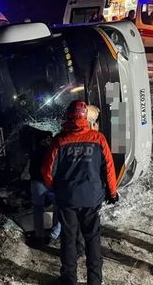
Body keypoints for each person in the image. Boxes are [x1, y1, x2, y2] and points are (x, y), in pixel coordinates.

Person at [42, 100, 119, 285]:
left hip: (68, 199)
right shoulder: (98, 139)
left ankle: (69, 279)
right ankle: (95, 280)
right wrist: (112, 192)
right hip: (92, 198)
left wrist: (56, 189)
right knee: (92, 238)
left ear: (69, 115)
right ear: (86, 116)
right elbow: (109, 168)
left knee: (68, 238)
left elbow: (47, 171)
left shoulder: (59, 141)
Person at [19, 125, 60, 246]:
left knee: (38, 209)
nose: (49, 141)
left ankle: (39, 235)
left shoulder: (35, 151)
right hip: (51, 184)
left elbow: (30, 168)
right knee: (58, 208)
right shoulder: (54, 150)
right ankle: (54, 235)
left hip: (38, 183)